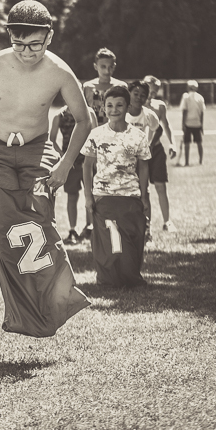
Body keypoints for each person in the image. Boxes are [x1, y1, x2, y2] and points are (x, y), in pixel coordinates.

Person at [0, 0, 91, 338]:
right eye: (19, 44)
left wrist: (65, 164)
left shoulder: (59, 71)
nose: (27, 52)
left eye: (35, 44)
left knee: (40, 221)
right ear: (9, 37)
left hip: (37, 149)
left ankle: (58, 299)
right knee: (5, 230)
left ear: (50, 37)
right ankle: (22, 314)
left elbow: (84, 120)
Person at [81, 86, 151, 288]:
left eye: (119, 105)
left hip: (130, 195)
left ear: (128, 107)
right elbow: (87, 165)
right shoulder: (96, 134)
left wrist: (144, 196)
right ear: (103, 108)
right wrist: (88, 196)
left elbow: (144, 166)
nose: (114, 109)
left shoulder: (138, 136)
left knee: (131, 239)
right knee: (108, 240)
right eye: (109, 105)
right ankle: (107, 280)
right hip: (103, 195)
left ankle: (131, 277)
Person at [50, 102, 98, 244]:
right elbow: (52, 140)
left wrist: (93, 158)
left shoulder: (89, 112)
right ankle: (72, 230)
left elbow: (96, 136)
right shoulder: (59, 115)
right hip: (71, 164)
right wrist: (65, 158)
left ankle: (91, 227)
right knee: (72, 196)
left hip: (88, 162)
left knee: (91, 194)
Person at [126, 80, 163, 240]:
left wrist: (150, 145)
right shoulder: (122, 112)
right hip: (122, 161)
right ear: (129, 94)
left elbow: (158, 129)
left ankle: (147, 230)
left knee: (144, 193)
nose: (139, 97)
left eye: (143, 95)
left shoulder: (148, 114)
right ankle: (127, 228)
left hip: (140, 162)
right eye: (135, 94)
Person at [142, 76, 178, 233]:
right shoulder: (134, 106)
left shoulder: (160, 106)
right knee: (143, 191)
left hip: (156, 151)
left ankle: (167, 221)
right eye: (149, 91)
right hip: (140, 153)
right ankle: (146, 226)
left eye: (154, 92)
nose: (151, 95)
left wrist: (172, 143)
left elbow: (166, 126)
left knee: (161, 186)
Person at [83, 48, 127, 126]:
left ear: (114, 66)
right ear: (95, 66)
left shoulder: (121, 86)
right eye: (103, 67)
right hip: (94, 130)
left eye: (110, 67)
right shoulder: (88, 87)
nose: (107, 71)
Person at [179, 80, 205, 166]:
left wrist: (183, 124)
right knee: (199, 142)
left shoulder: (186, 97)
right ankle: (200, 161)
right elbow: (202, 113)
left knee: (187, 143)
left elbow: (184, 111)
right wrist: (201, 124)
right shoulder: (200, 97)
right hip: (197, 123)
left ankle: (187, 162)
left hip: (188, 123)